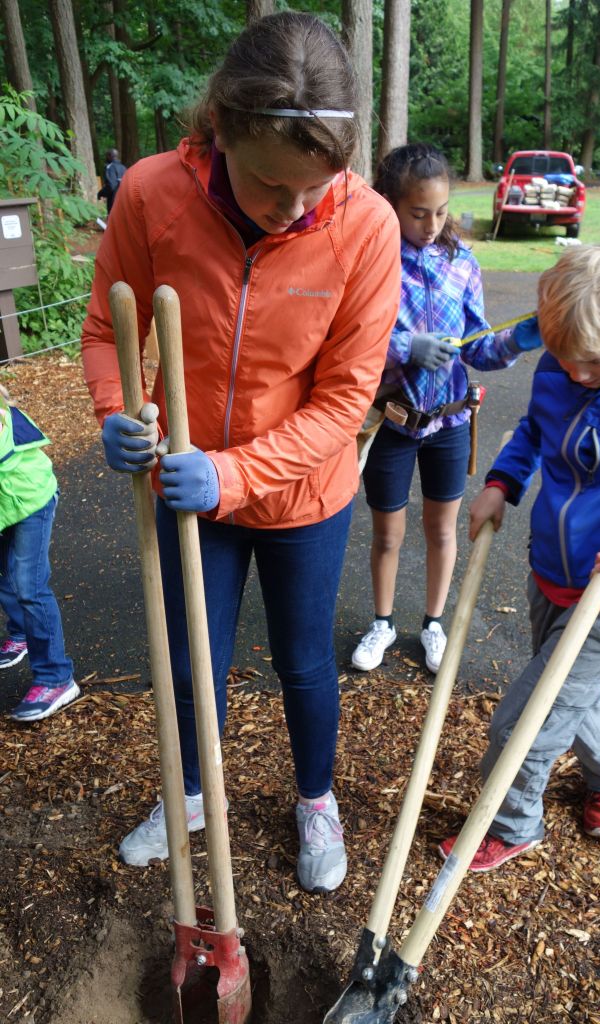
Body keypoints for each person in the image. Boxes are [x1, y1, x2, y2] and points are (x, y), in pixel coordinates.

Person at [81, 12, 401, 894]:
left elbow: (346, 398)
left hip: (302, 491)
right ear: (217, 128)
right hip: (185, 485)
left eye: (312, 189)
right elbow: (110, 330)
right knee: (189, 658)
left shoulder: (366, 227)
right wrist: (119, 408)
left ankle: (314, 799)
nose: (291, 208)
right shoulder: (150, 194)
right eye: (269, 185)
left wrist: (234, 472)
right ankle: (188, 794)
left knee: (303, 661)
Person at [439, 244, 600, 872]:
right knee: (574, 692)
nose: (575, 374)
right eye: (565, 359)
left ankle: (514, 821)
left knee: (527, 720)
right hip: (551, 571)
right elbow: (534, 431)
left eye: (593, 362)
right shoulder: (561, 362)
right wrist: (500, 483)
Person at [351, 143, 541, 676]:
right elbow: (351, 338)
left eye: (440, 211)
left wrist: (518, 340)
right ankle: (384, 622)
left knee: (442, 529)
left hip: (450, 421)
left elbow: (478, 346)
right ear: (390, 204)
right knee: (387, 533)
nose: (432, 224)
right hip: (391, 420)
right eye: (418, 213)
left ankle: (432, 623)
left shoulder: (462, 262)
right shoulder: (374, 260)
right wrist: (404, 347)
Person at [0, 386, 79, 721]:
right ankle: (20, 633)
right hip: (6, 505)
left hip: (31, 500)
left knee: (28, 586)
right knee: (5, 573)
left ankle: (56, 677)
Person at [97, 148, 127, 213]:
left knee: (113, 221)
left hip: (114, 202)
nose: (106, 158)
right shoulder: (124, 168)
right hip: (125, 201)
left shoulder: (110, 167)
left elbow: (111, 186)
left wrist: (101, 193)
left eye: (107, 156)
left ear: (110, 156)